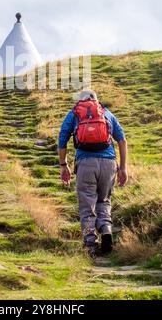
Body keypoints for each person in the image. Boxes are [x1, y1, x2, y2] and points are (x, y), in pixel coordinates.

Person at [58, 89, 128, 257]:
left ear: (80, 101)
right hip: (108, 164)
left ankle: (90, 243)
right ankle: (106, 231)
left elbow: (62, 139)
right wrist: (123, 168)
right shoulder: (106, 113)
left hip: (85, 164)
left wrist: (63, 165)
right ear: (96, 100)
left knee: (87, 205)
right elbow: (122, 140)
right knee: (104, 200)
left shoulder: (74, 114)